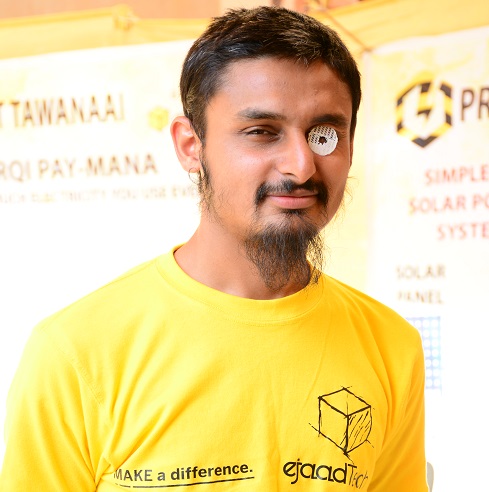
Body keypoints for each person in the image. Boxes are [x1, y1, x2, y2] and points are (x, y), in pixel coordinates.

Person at [0, 6, 428, 491]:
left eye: (324, 134)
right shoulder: (75, 352)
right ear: (191, 145)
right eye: (262, 132)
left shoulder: (392, 347)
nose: (301, 165)